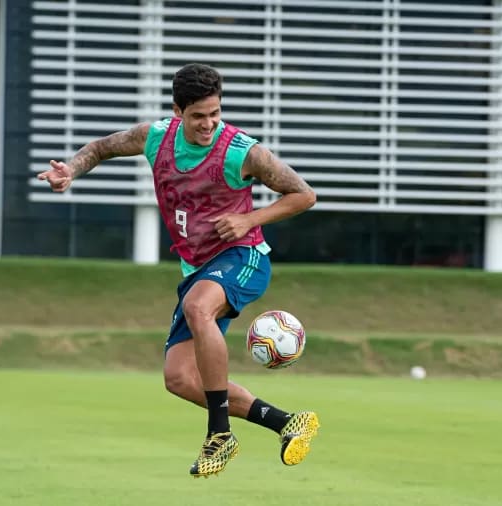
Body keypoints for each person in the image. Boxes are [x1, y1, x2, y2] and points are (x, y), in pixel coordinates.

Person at [37, 63, 319, 478]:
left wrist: (248, 219)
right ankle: (286, 423)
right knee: (180, 379)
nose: (209, 124)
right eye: (198, 116)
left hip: (244, 257)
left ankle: (219, 437)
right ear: (177, 112)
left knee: (198, 306)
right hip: (198, 269)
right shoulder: (155, 139)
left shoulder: (243, 151)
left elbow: (304, 195)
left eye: (215, 114)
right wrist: (71, 171)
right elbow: (100, 147)